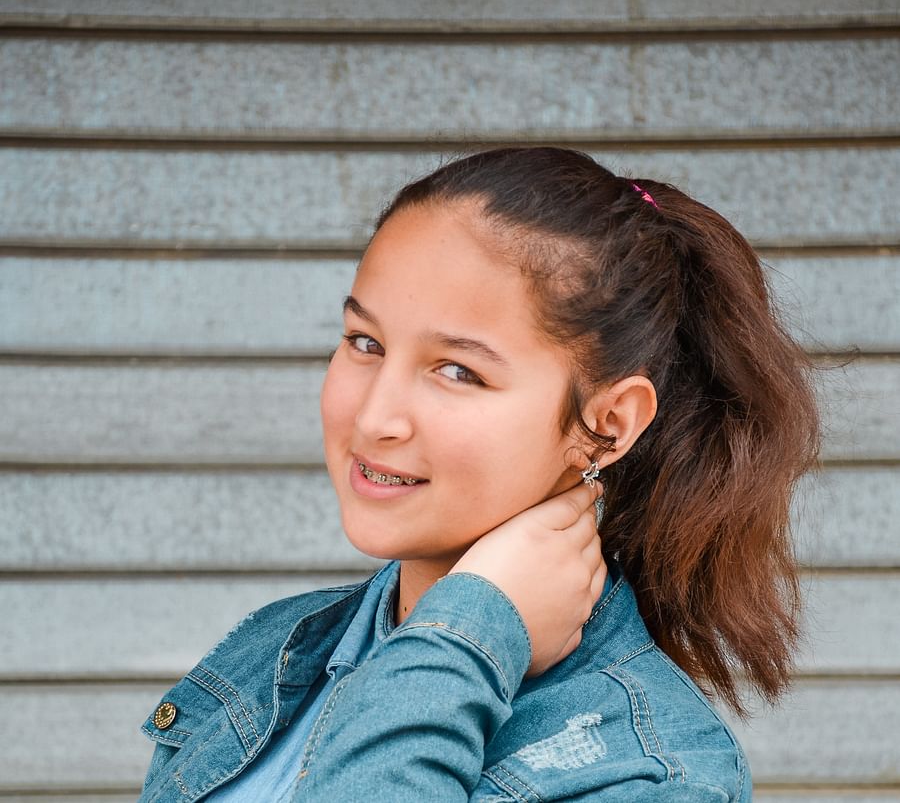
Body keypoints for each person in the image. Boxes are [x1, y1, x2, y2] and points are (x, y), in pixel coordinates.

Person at [138, 147, 819, 802]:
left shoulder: (653, 773)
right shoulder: (278, 649)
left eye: (457, 371)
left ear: (608, 424)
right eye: (364, 343)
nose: (376, 418)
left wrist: (464, 639)